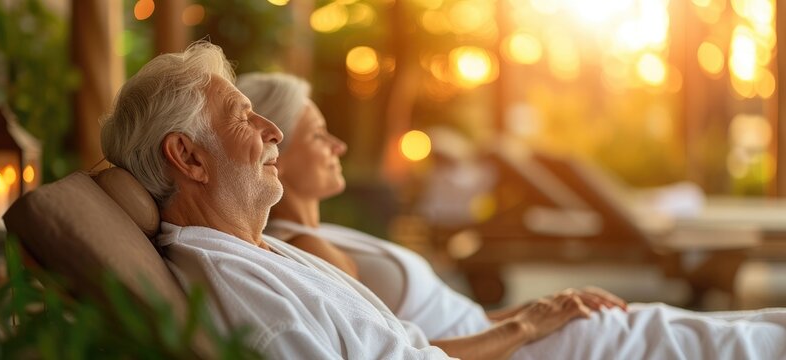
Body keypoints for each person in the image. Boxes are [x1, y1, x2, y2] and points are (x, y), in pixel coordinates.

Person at [99, 41, 600, 359]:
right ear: (188, 157)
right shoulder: (236, 286)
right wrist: (523, 327)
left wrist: (524, 321)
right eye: (241, 117)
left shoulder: (256, 252)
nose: (273, 132)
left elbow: (408, 345)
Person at [236, 71, 786, 358]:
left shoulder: (318, 234)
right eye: (316, 134)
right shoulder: (305, 249)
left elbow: (427, 331)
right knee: (738, 343)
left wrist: (535, 308)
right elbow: (403, 355)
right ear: (276, 145)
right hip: (528, 351)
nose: (337, 143)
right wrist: (528, 323)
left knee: (745, 330)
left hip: (527, 339)